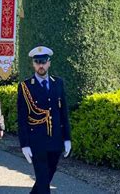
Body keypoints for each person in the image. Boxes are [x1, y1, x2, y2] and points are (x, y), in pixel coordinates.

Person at [17, 46, 72, 194]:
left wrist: (67, 138)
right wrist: (24, 144)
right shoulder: (25, 86)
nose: (41, 65)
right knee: (42, 179)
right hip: (37, 140)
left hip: (55, 139)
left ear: (49, 63)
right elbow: (22, 117)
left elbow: (63, 113)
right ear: (33, 64)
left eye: (43, 61)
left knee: (47, 177)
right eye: (37, 62)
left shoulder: (58, 83)